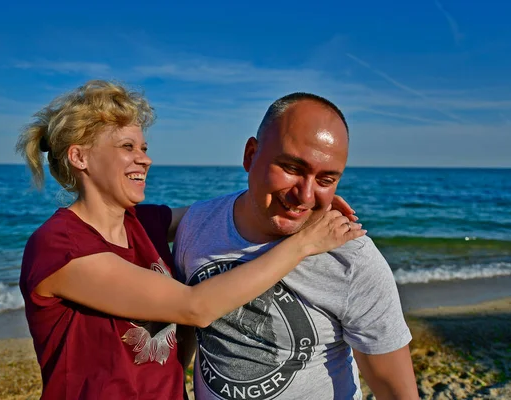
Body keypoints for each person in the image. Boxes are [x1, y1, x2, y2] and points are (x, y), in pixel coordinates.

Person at [15, 81, 365, 400]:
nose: (145, 158)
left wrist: (300, 198)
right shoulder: (59, 246)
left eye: (144, 146)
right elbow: (195, 307)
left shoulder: (144, 223)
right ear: (80, 157)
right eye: (127, 146)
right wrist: (305, 243)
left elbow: (232, 212)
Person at [173, 93, 419, 399]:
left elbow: (395, 389)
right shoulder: (197, 226)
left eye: (325, 180)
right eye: (292, 168)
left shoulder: (352, 258)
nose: (305, 196)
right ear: (250, 155)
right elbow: (185, 335)